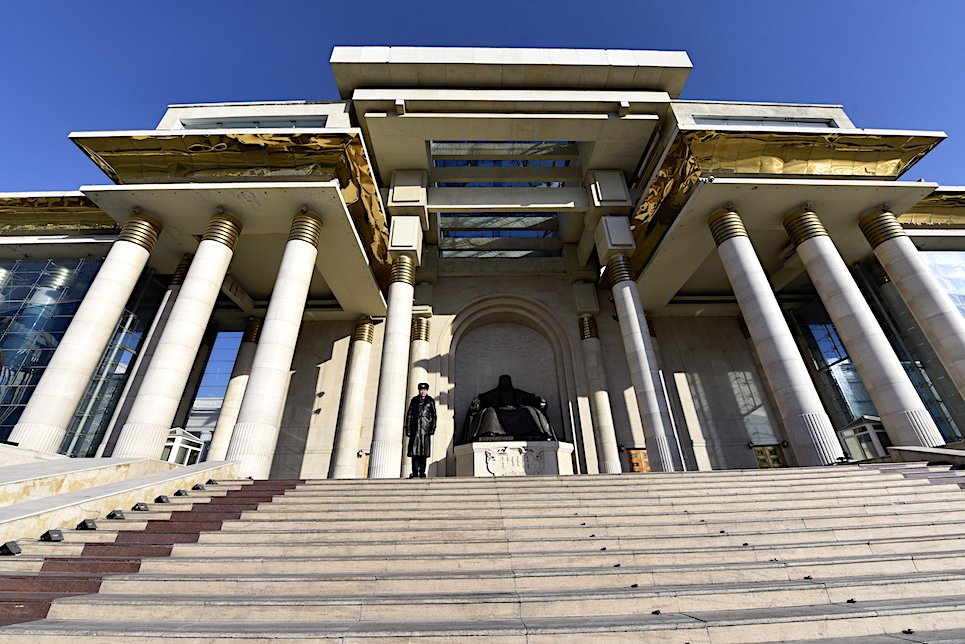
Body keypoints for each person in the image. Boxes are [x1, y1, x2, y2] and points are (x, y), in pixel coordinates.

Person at [463, 374, 557, 443]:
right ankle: (490, 432)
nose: (505, 382)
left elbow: (529, 398)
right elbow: (483, 398)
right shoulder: (495, 392)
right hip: (499, 411)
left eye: (507, 380)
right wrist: (477, 401)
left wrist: (539, 400)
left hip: (515, 411)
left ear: (510, 382)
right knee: (491, 411)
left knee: (526, 411)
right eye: (503, 380)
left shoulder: (516, 392)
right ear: (500, 382)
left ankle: (532, 431)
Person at [405, 382, 436, 478]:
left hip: (425, 430)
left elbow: (433, 416)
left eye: (424, 390)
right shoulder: (414, 400)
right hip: (415, 430)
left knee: (423, 452)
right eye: (421, 390)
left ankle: (422, 472)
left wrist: (432, 428)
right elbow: (409, 415)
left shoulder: (430, 401)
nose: (423, 392)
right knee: (414, 452)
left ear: (427, 391)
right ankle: (414, 472)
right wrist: (408, 429)